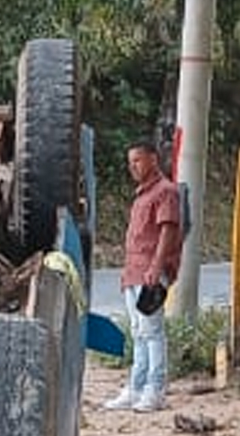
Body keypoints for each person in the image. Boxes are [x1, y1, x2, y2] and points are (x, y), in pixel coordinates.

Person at [105, 139, 183, 412]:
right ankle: (136, 388)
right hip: (133, 273)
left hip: (150, 272)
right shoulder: (142, 194)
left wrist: (157, 267)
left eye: (137, 160)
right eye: (130, 162)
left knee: (152, 332)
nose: (133, 167)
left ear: (153, 159)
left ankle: (155, 389)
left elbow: (168, 231)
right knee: (138, 333)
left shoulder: (166, 192)